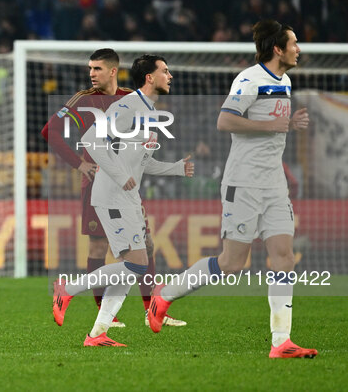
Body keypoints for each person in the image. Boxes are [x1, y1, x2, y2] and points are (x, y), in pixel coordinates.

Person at [147, 20, 318, 359]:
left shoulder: (284, 80)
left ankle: (281, 342)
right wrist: (273, 125)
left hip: (274, 184)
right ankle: (163, 295)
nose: (300, 49)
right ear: (278, 49)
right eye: (294, 43)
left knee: (284, 257)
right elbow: (224, 120)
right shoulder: (249, 79)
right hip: (243, 183)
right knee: (232, 263)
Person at [53, 55, 194, 346]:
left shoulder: (149, 112)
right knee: (137, 265)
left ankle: (97, 334)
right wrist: (119, 175)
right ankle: (67, 289)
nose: (171, 76)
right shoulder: (127, 106)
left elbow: (144, 162)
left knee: (131, 267)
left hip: (126, 196)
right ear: (150, 78)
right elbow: (92, 140)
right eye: (165, 71)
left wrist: (176, 168)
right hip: (112, 194)